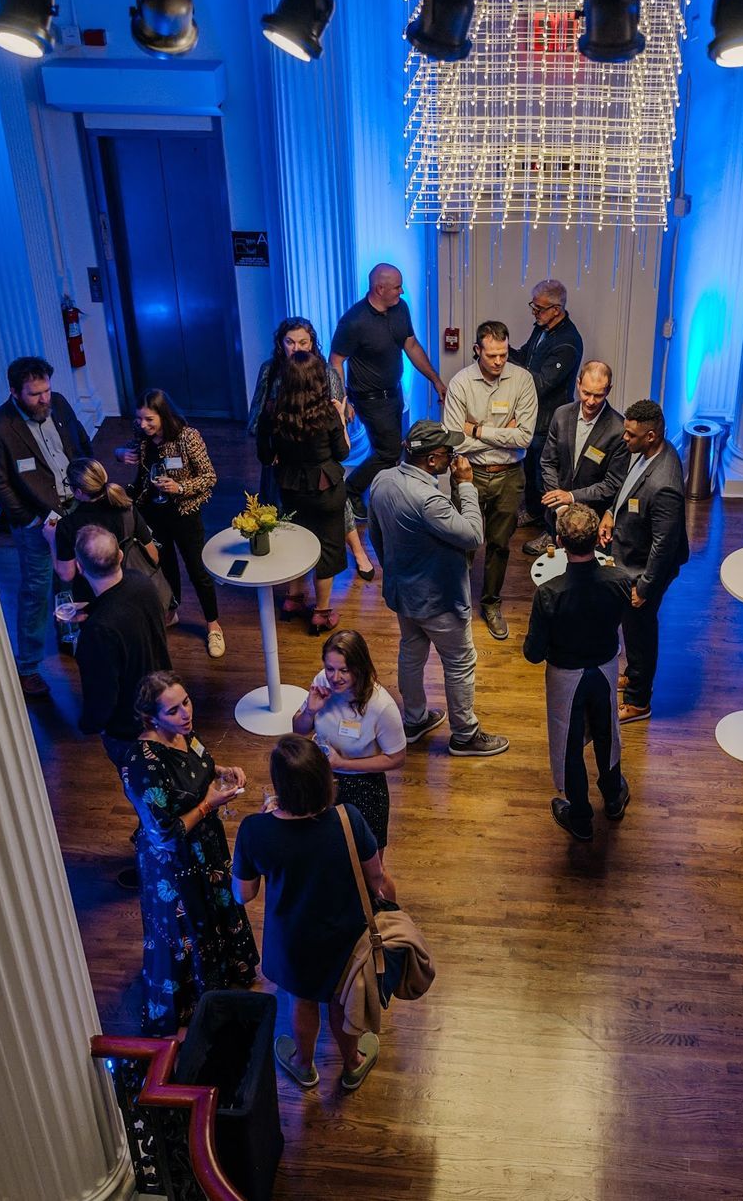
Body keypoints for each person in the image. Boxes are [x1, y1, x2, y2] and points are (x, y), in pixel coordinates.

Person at [233, 733, 396, 1092]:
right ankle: (352, 1064)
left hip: (292, 937)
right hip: (345, 931)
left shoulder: (255, 830)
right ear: (324, 778)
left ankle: (303, 1065)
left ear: (280, 784)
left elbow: (243, 894)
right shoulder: (348, 818)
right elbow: (376, 878)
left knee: (302, 1000)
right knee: (342, 999)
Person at [117, 670, 259, 1036]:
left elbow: (201, 766)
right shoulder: (143, 765)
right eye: (173, 710)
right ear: (151, 718)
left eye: (186, 702)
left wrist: (223, 770)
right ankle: (199, 1000)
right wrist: (210, 804)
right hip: (176, 865)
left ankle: (227, 975)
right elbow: (164, 835)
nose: (185, 713)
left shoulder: (183, 734)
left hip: (206, 850)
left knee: (217, 913)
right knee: (189, 931)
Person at [366, 420, 509, 759]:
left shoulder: (381, 480)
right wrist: (466, 485)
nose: (453, 457)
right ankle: (464, 734)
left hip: (404, 595)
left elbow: (375, 534)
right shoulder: (430, 500)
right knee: (460, 662)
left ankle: (414, 721)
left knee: (411, 653)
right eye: (448, 452)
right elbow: (474, 535)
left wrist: (397, 572)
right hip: (440, 599)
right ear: (431, 460)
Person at [0, 356, 93, 697]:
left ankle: (70, 635)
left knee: (74, 576)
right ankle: (27, 666)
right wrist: (30, 519)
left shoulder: (58, 403)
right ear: (14, 392)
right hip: (36, 520)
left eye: (46, 390)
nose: (44, 399)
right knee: (36, 589)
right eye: (34, 394)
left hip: (75, 505)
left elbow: (81, 444)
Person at [523, 505, 634, 842]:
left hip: (565, 675)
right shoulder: (619, 582)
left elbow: (532, 654)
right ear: (596, 541)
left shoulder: (548, 593)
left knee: (568, 744)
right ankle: (613, 797)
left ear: (559, 541)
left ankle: (581, 817)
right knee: (608, 732)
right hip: (605, 668)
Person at [249, 317, 374, 580]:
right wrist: (272, 442)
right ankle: (291, 575)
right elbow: (257, 415)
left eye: (303, 342)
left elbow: (338, 418)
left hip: (319, 459)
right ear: (281, 344)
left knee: (334, 508)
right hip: (282, 459)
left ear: (312, 342)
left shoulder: (326, 371)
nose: (297, 348)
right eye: (290, 342)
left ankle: (358, 551)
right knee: (284, 515)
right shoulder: (270, 370)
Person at [441, 320, 537, 641]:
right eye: (492, 355)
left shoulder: (522, 380)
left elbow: (524, 437)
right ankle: (459, 604)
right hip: (468, 472)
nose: (498, 361)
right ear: (477, 351)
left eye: (504, 354)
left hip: (510, 477)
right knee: (464, 542)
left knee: (499, 545)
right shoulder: (460, 383)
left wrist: (477, 429)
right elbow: (454, 440)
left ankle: (492, 603)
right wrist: (502, 434)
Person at [332, 264, 448, 522]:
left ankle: (385, 496)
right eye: (397, 287)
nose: (402, 291)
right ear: (379, 288)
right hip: (369, 399)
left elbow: (411, 344)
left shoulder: (400, 309)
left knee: (390, 450)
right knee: (389, 452)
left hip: (394, 394)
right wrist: (343, 400)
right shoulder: (353, 321)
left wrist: (435, 380)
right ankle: (350, 491)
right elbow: (336, 360)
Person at [600, 399, 687, 725]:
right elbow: (628, 492)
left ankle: (638, 701)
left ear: (651, 436)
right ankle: (633, 675)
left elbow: (664, 545)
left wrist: (645, 587)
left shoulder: (664, 483)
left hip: (643, 573)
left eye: (631, 435)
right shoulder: (647, 455)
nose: (625, 439)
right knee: (631, 627)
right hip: (629, 558)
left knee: (640, 633)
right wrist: (611, 513)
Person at [128, 389, 226, 658]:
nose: (143, 425)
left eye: (149, 419)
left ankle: (213, 626)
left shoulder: (187, 437)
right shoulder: (142, 436)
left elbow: (209, 477)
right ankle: (172, 611)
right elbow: (131, 454)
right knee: (164, 565)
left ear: (163, 414)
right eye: (139, 420)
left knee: (197, 570)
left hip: (184, 513)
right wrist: (119, 453)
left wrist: (180, 486)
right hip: (152, 512)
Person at [258, 349, 351, 631]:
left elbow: (264, 455)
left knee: (296, 542)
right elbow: (343, 453)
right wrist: (342, 420)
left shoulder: (273, 411)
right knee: (328, 550)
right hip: (326, 490)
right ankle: (321, 613)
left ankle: (293, 600)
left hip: (290, 488)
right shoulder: (326, 413)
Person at [292, 629, 407, 852]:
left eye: (344, 670)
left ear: (359, 667)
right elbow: (298, 731)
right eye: (330, 669)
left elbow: (397, 758)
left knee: (366, 859)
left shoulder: (382, 706)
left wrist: (343, 764)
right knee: (324, 852)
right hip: (321, 780)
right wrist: (310, 712)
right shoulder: (322, 682)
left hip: (363, 787)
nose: (335, 678)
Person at [71, 525, 172, 768]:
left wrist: (90, 725)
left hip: (131, 727)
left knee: (148, 794)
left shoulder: (98, 631)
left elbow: (103, 694)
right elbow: (122, 604)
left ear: (79, 567)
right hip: (166, 701)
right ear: (120, 556)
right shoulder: (141, 583)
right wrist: (89, 611)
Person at [524, 360, 628, 558]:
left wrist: (571, 497)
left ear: (609, 390)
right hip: (558, 514)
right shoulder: (561, 415)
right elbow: (548, 462)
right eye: (586, 393)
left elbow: (613, 483)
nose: (590, 401)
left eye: (598, 395)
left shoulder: (618, 429)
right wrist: (560, 505)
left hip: (592, 521)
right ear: (578, 383)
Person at [515, 279, 583, 513]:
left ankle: (550, 530)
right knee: (529, 470)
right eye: (533, 306)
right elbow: (524, 356)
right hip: (533, 417)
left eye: (539, 308)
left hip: (550, 420)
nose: (534, 312)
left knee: (545, 475)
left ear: (557, 310)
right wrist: (500, 352)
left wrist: (514, 371)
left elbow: (542, 383)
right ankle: (533, 514)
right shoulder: (541, 328)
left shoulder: (568, 342)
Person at [52, 457, 158, 606]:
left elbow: (66, 575)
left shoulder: (68, 525)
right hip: (131, 593)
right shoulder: (126, 509)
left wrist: (51, 539)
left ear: (78, 491)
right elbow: (153, 556)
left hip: (92, 601)